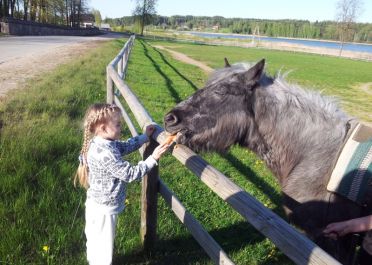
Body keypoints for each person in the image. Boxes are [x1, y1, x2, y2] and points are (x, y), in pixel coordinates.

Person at [74, 103, 169, 265]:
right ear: (103, 128)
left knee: (95, 238)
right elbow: (130, 174)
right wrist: (153, 158)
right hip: (105, 208)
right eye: (117, 124)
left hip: (96, 203)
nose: (121, 127)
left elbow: (123, 146)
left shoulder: (100, 142)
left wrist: (144, 137)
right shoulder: (105, 153)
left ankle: (94, 261)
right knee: (103, 246)